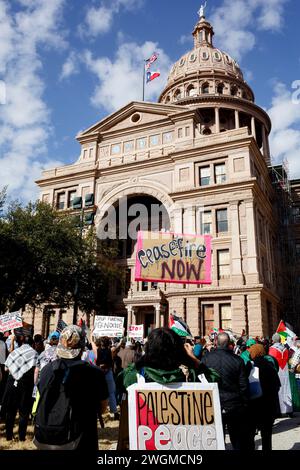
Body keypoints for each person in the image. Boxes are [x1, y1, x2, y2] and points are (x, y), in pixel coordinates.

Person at [34, 325, 108, 450]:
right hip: (80, 437)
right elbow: (102, 407)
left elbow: (42, 393)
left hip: (46, 437)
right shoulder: (94, 373)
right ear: (82, 347)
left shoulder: (46, 370)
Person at [201, 332, 250, 450]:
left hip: (214, 404)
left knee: (216, 440)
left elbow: (201, 381)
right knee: (237, 440)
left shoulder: (206, 359)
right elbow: (244, 385)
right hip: (234, 404)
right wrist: (244, 403)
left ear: (216, 342)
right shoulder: (238, 360)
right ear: (229, 344)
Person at [1, 334, 38, 441]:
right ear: (33, 343)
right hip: (25, 384)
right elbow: (36, 370)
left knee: (11, 411)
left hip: (11, 382)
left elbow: (6, 368)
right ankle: (21, 437)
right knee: (24, 412)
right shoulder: (34, 353)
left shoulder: (15, 351)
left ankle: (8, 436)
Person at [247, 344, 281, 450]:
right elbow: (277, 385)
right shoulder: (269, 365)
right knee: (266, 436)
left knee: (250, 435)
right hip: (268, 406)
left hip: (253, 406)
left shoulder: (250, 366)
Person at [89, 336, 119, 420]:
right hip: (108, 372)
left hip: (99, 373)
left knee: (97, 393)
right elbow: (118, 345)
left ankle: (97, 413)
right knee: (111, 393)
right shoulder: (111, 350)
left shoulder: (96, 351)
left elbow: (92, 343)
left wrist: (91, 335)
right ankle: (114, 412)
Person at [269, 333, 292, 416]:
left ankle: (279, 411)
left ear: (273, 340)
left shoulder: (271, 349)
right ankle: (289, 410)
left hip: (277, 371)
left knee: (278, 390)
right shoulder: (286, 349)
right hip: (285, 371)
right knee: (286, 389)